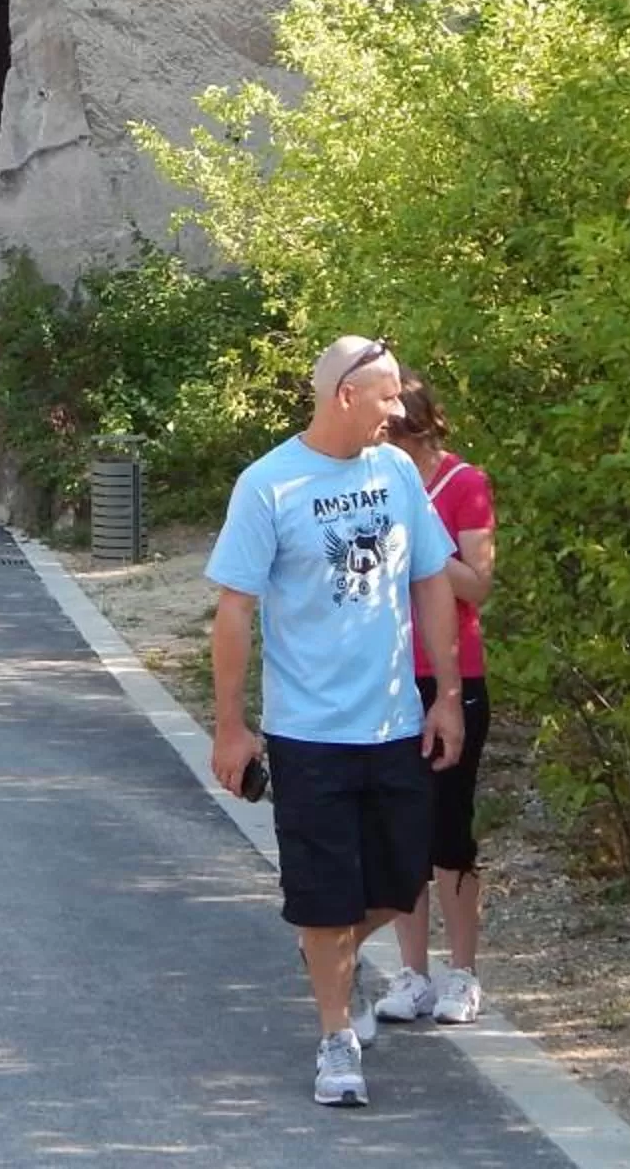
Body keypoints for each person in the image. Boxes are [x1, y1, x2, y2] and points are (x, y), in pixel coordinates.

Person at [206, 335, 466, 1110]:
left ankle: (330, 955)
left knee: (403, 874)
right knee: (323, 893)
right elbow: (234, 610)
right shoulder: (270, 484)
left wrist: (446, 694)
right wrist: (230, 725)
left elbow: (431, 581)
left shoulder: (394, 472)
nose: (399, 410)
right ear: (344, 396)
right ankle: (335, 1039)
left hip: (394, 721)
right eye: (388, 396)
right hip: (309, 732)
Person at [372, 372, 497, 1028]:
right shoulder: (375, 486)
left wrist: (419, 541)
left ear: (411, 430)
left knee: (450, 828)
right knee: (399, 829)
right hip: (386, 675)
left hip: (451, 676)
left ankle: (463, 974)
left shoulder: (463, 484)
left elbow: (477, 584)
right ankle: (413, 973)